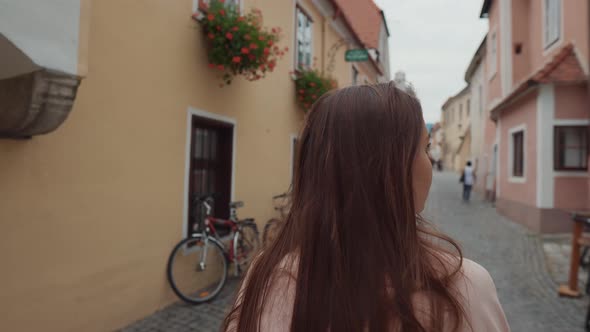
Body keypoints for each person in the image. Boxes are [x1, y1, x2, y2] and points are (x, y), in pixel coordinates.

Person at [222, 83, 510, 332]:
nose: (429, 162)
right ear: (391, 169)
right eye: (424, 148)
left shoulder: (263, 274)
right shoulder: (460, 288)